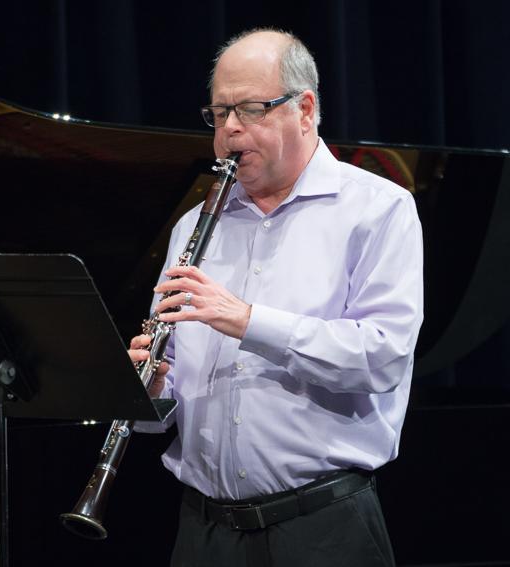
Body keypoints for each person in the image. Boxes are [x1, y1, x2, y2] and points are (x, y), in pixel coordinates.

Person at [130, 28, 423, 567]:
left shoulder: (378, 209)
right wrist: (150, 385)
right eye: (218, 114)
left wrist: (247, 320)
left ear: (305, 108)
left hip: (323, 529)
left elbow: (381, 356)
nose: (230, 130)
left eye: (250, 109)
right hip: (203, 531)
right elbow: (165, 401)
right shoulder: (192, 227)